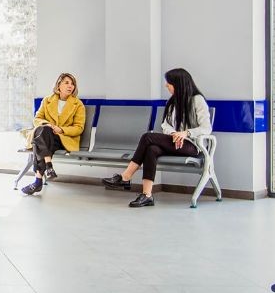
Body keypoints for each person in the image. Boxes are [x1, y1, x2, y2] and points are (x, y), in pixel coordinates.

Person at [102, 68, 212, 207]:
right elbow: (165, 124)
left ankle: (126, 176)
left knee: (147, 137)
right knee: (152, 149)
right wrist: (174, 134)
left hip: (192, 145)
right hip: (174, 142)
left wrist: (185, 133)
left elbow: (206, 128)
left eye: (169, 83)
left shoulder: (197, 100)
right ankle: (147, 195)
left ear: (178, 83)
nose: (166, 85)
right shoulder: (172, 102)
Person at [21, 72, 86, 196]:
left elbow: (79, 128)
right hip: (47, 137)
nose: (70, 86)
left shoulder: (78, 105)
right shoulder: (47, 100)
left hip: (63, 139)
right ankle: (48, 166)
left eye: (72, 84)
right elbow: (37, 119)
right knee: (44, 131)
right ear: (59, 85)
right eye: (66, 83)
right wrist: (48, 124)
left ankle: (38, 181)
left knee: (38, 140)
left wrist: (61, 130)